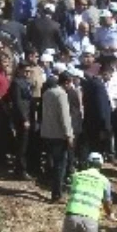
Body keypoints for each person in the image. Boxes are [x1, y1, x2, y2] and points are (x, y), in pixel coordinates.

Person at [41, 72, 76, 201]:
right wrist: (69, 135)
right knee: (60, 164)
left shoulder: (47, 93)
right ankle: (57, 193)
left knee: (51, 162)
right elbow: (65, 117)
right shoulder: (61, 95)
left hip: (47, 132)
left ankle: (51, 186)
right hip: (58, 135)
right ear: (66, 82)